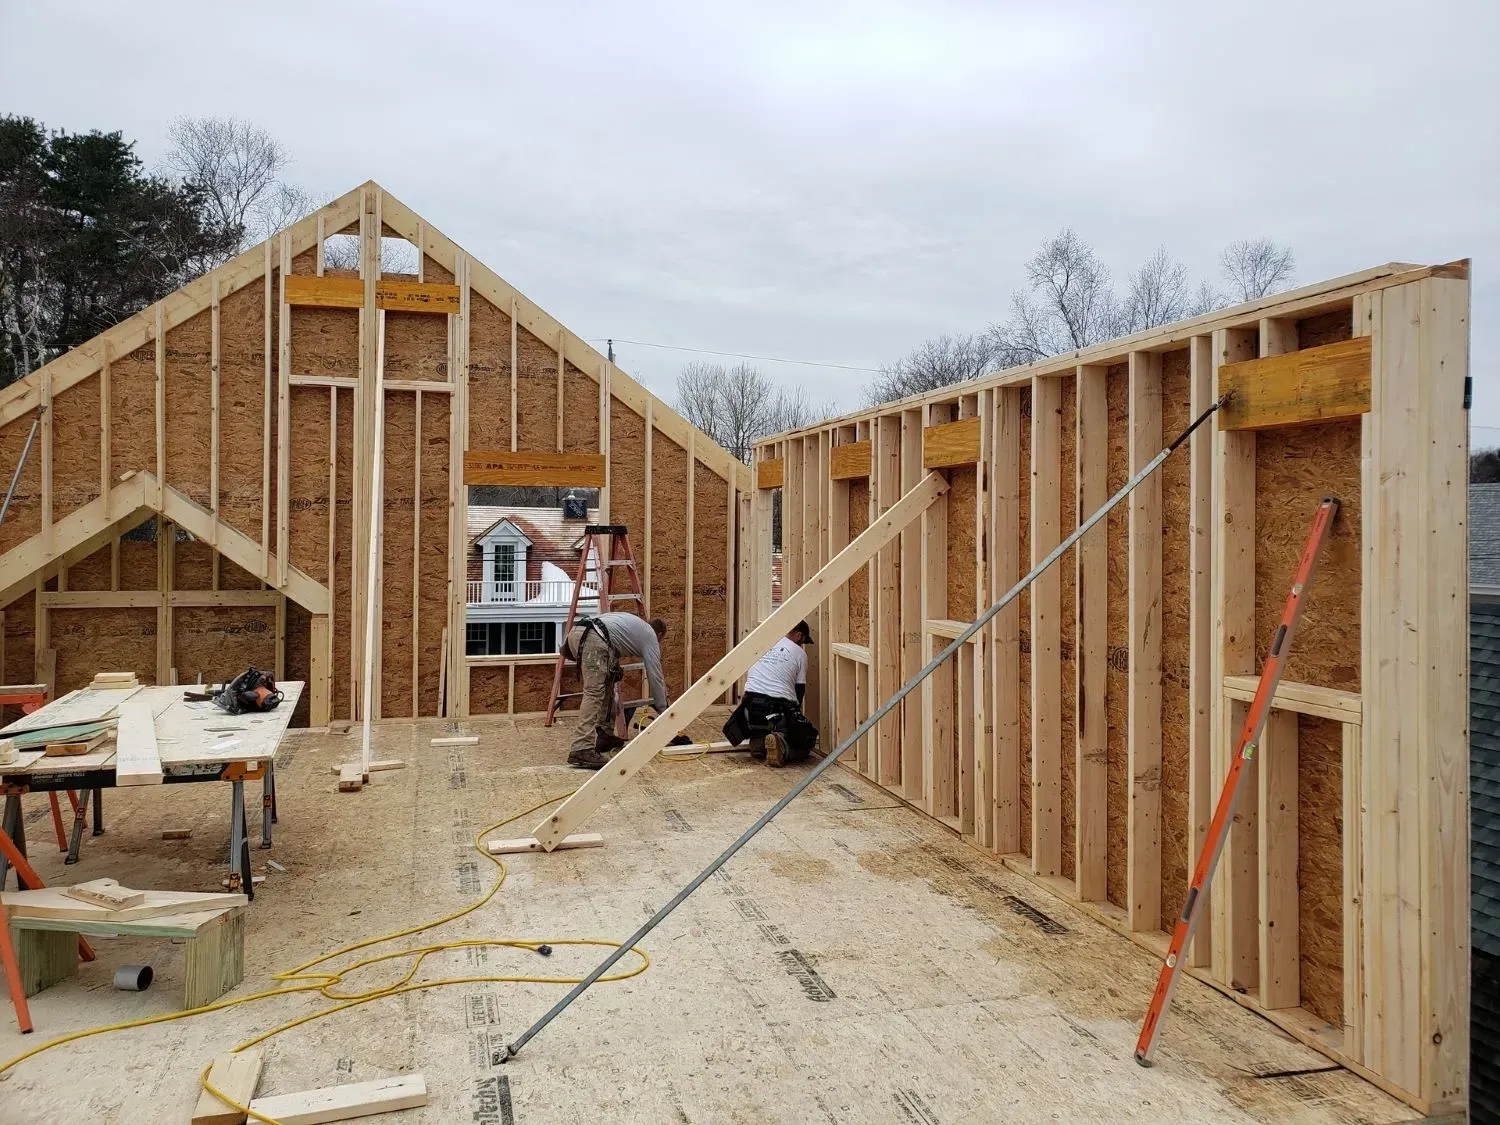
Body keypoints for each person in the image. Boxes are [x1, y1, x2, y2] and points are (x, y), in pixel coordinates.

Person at [562, 613, 669, 770]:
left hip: (578, 633)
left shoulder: (631, 626)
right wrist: (664, 711)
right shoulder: (650, 636)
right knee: (594, 692)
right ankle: (581, 748)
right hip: (593, 640)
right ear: (659, 634)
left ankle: (604, 734)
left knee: (608, 683)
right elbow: (655, 676)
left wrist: (612, 666)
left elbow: (606, 640)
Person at [723, 620, 819, 766]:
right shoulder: (800, 653)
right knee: (806, 741)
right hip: (777, 709)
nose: (802, 645)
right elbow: (799, 690)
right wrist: (795, 718)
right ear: (799, 635)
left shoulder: (763, 644)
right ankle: (782, 744)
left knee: (759, 736)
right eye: (803, 641)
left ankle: (758, 744)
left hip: (749, 707)